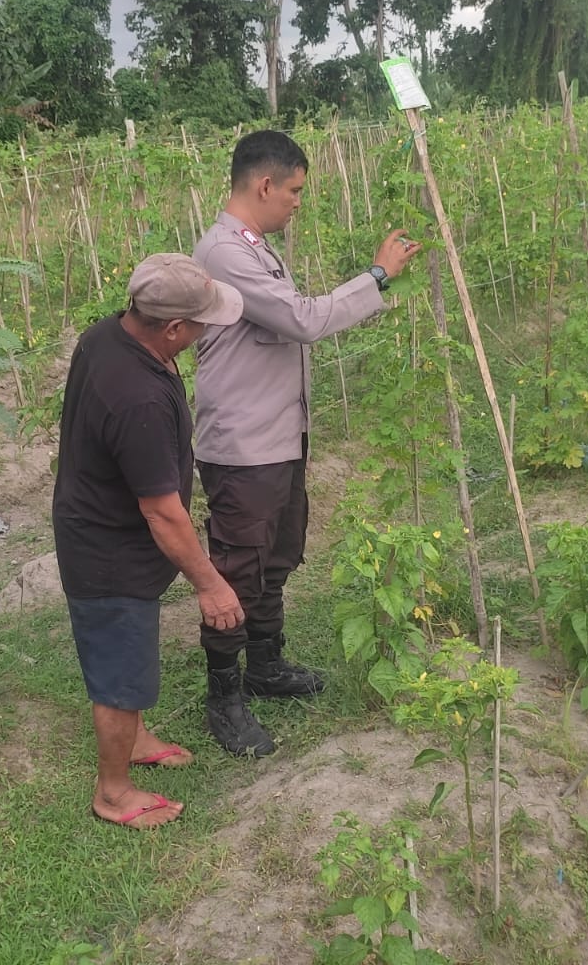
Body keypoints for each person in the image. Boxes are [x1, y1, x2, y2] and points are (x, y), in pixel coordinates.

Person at [193, 130, 422, 756]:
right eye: (294, 190)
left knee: (276, 556)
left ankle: (265, 665)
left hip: (277, 435)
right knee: (238, 568)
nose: (298, 202)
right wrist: (377, 275)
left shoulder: (253, 246)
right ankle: (224, 697)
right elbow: (302, 319)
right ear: (265, 184)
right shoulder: (226, 253)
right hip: (244, 445)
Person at [52, 253, 248, 827]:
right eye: (201, 322)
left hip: (108, 526)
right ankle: (113, 793)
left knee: (129, 656)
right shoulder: (136, 395)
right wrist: (210, 586)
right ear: (173, 328)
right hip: (108, 550)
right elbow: (162, 514)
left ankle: (135, 741)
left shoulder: (107, 335)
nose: (205, 329)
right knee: (120, 675)